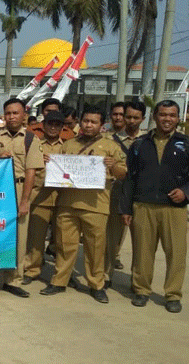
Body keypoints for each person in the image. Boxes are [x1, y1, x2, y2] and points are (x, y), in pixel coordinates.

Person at [40, 106, 126, 304]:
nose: (88, 125)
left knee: (95, 248)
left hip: (96, 205)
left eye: (93, 122)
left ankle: (97, 284)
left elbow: (123, 173)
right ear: (80, 122)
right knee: (64, 245)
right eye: (86, 121)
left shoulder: (111, 147)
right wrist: (50, 163)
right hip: (67, 204)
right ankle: (59, 281)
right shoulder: (68, 145)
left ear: (101, 125)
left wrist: (113, 165)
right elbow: (56, 172)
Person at [122, 100, 188, 313]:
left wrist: (186, 192)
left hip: (174, 209)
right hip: (143, 205)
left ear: (178, 118)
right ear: (154, 117)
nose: (167, 119)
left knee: (176, 254)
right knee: (142, 252)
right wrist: (126, 208)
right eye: (162, 115)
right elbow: (130, 178)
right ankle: (142, 290)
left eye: (171, 115)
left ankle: (172, 294)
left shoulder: (186, 144)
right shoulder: (140, 144)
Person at [0, 98, 44, 298]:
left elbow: (31, 171)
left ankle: (13, 280)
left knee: (19, 238)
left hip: (19, 189)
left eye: (16, 113)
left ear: (24, 115)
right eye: (8, 113)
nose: (12, 117)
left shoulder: (31, 139)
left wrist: (25, 201)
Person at [103, 101, 146, 286]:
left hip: (143, 195)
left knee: (142, 241)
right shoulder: (108, 139)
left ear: (143, 119)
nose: (130, 120)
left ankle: (138, 282)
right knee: (112, 237)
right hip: (117, 191)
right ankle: (106, 276)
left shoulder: (148, 140)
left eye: (136, 117)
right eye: (127, 116)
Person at [22, 111, 65, 285]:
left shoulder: (69, 146)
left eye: (57, 125)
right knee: (35, 238)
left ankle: (62, 274)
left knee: (62, 240)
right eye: (50, 124)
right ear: (44, 125)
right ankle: (32, 269)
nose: (53, 128)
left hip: (63, 199)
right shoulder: (35, 144)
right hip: (40, 197)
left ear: (63, 127)